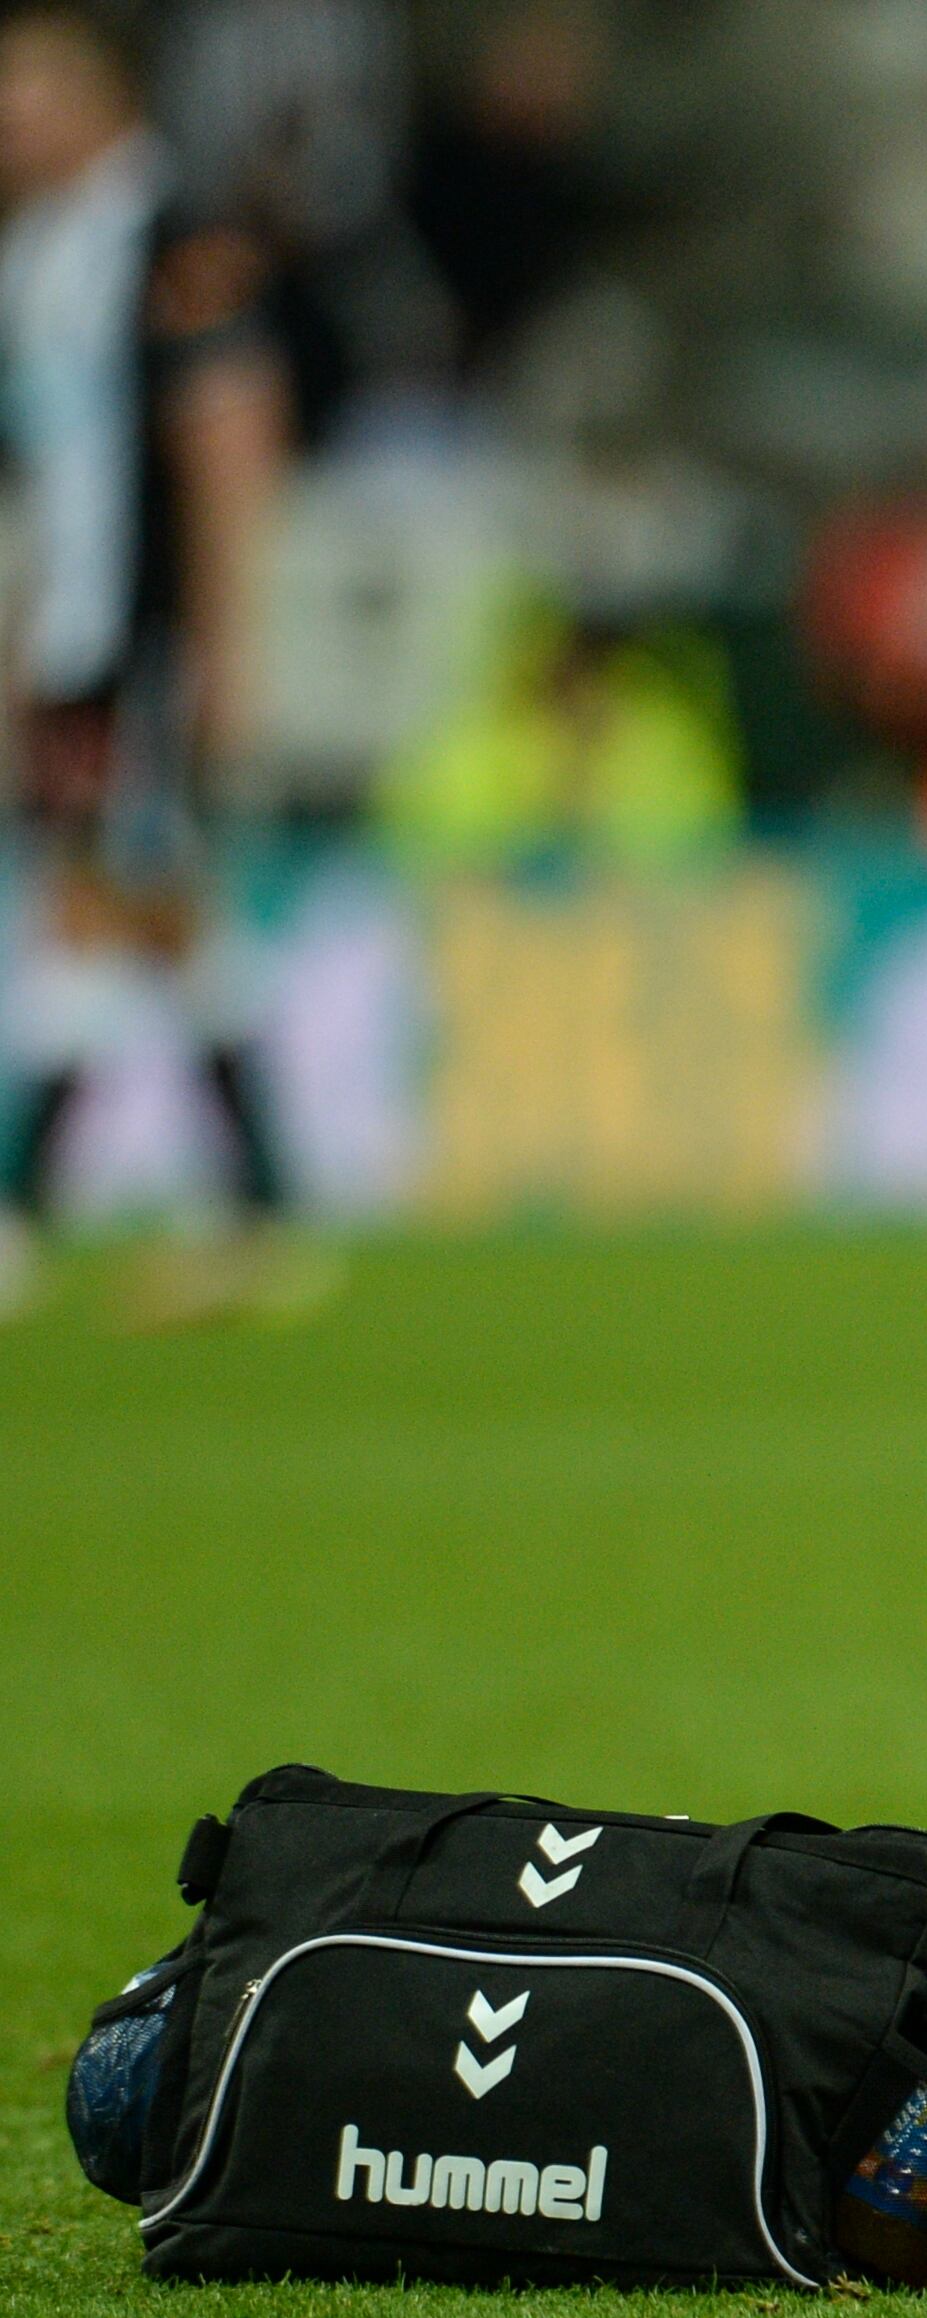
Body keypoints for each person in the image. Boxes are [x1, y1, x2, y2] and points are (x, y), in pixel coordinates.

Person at [0, 1, 297, 1325]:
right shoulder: (36, 252)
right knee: (151, 916)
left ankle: (24, 1202)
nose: (7, 117)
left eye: (29, 89)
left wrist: (232, 644)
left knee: (104, 905)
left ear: (103, 98)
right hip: (70, 635)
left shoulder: (174, 236)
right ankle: (262, 1205)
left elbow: (230, 439)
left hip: (150, 636)